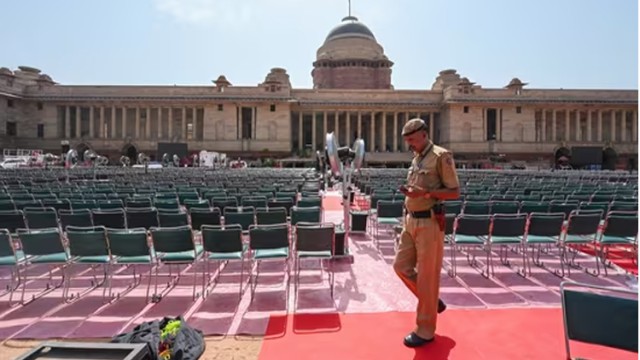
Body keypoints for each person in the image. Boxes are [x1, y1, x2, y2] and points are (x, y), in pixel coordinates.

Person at [393, 118, 460, 348]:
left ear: (423, 134)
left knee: (427, 278)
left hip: (430, 223)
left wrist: (425, 194)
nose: (409, 144)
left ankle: (425, 330)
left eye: (412, 139)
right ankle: (431, 301)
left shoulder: (441, 156)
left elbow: (454, 192)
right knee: (400, 267)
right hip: (410, 222)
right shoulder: (417, 158)